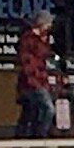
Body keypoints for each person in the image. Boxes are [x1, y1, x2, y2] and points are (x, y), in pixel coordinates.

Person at [15, 10, 57, 139]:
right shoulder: (29, 40)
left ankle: (25, 135)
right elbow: (29, 62)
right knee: (48, 109)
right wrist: (35, 78)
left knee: (31, 111)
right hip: (34, 81)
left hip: (38, 80)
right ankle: (40, 135)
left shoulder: (42, 40)